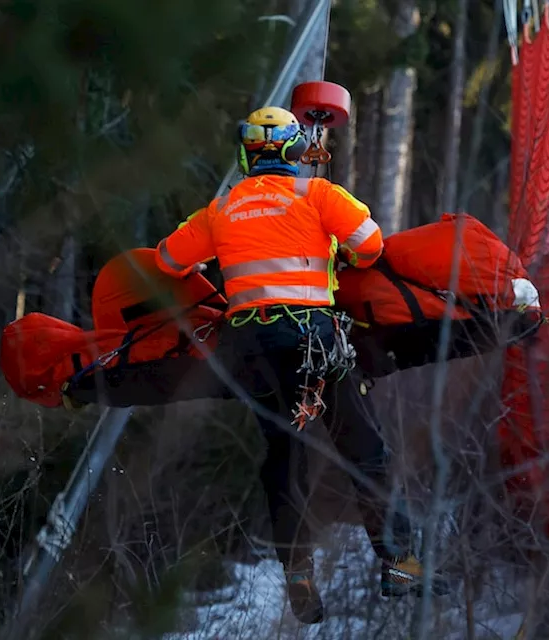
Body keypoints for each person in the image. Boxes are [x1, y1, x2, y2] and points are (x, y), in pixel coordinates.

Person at [153, 105, 431, 624]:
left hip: (251, 346)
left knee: (284, 455)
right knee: (363, 448)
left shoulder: (222, 208)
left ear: (247, 153)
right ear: (295, 150)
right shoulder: (318, 194)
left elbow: (168, 261)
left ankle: (298, 574)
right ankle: (398, 564)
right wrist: (329, 249)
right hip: (313, 338)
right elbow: (369, 247)